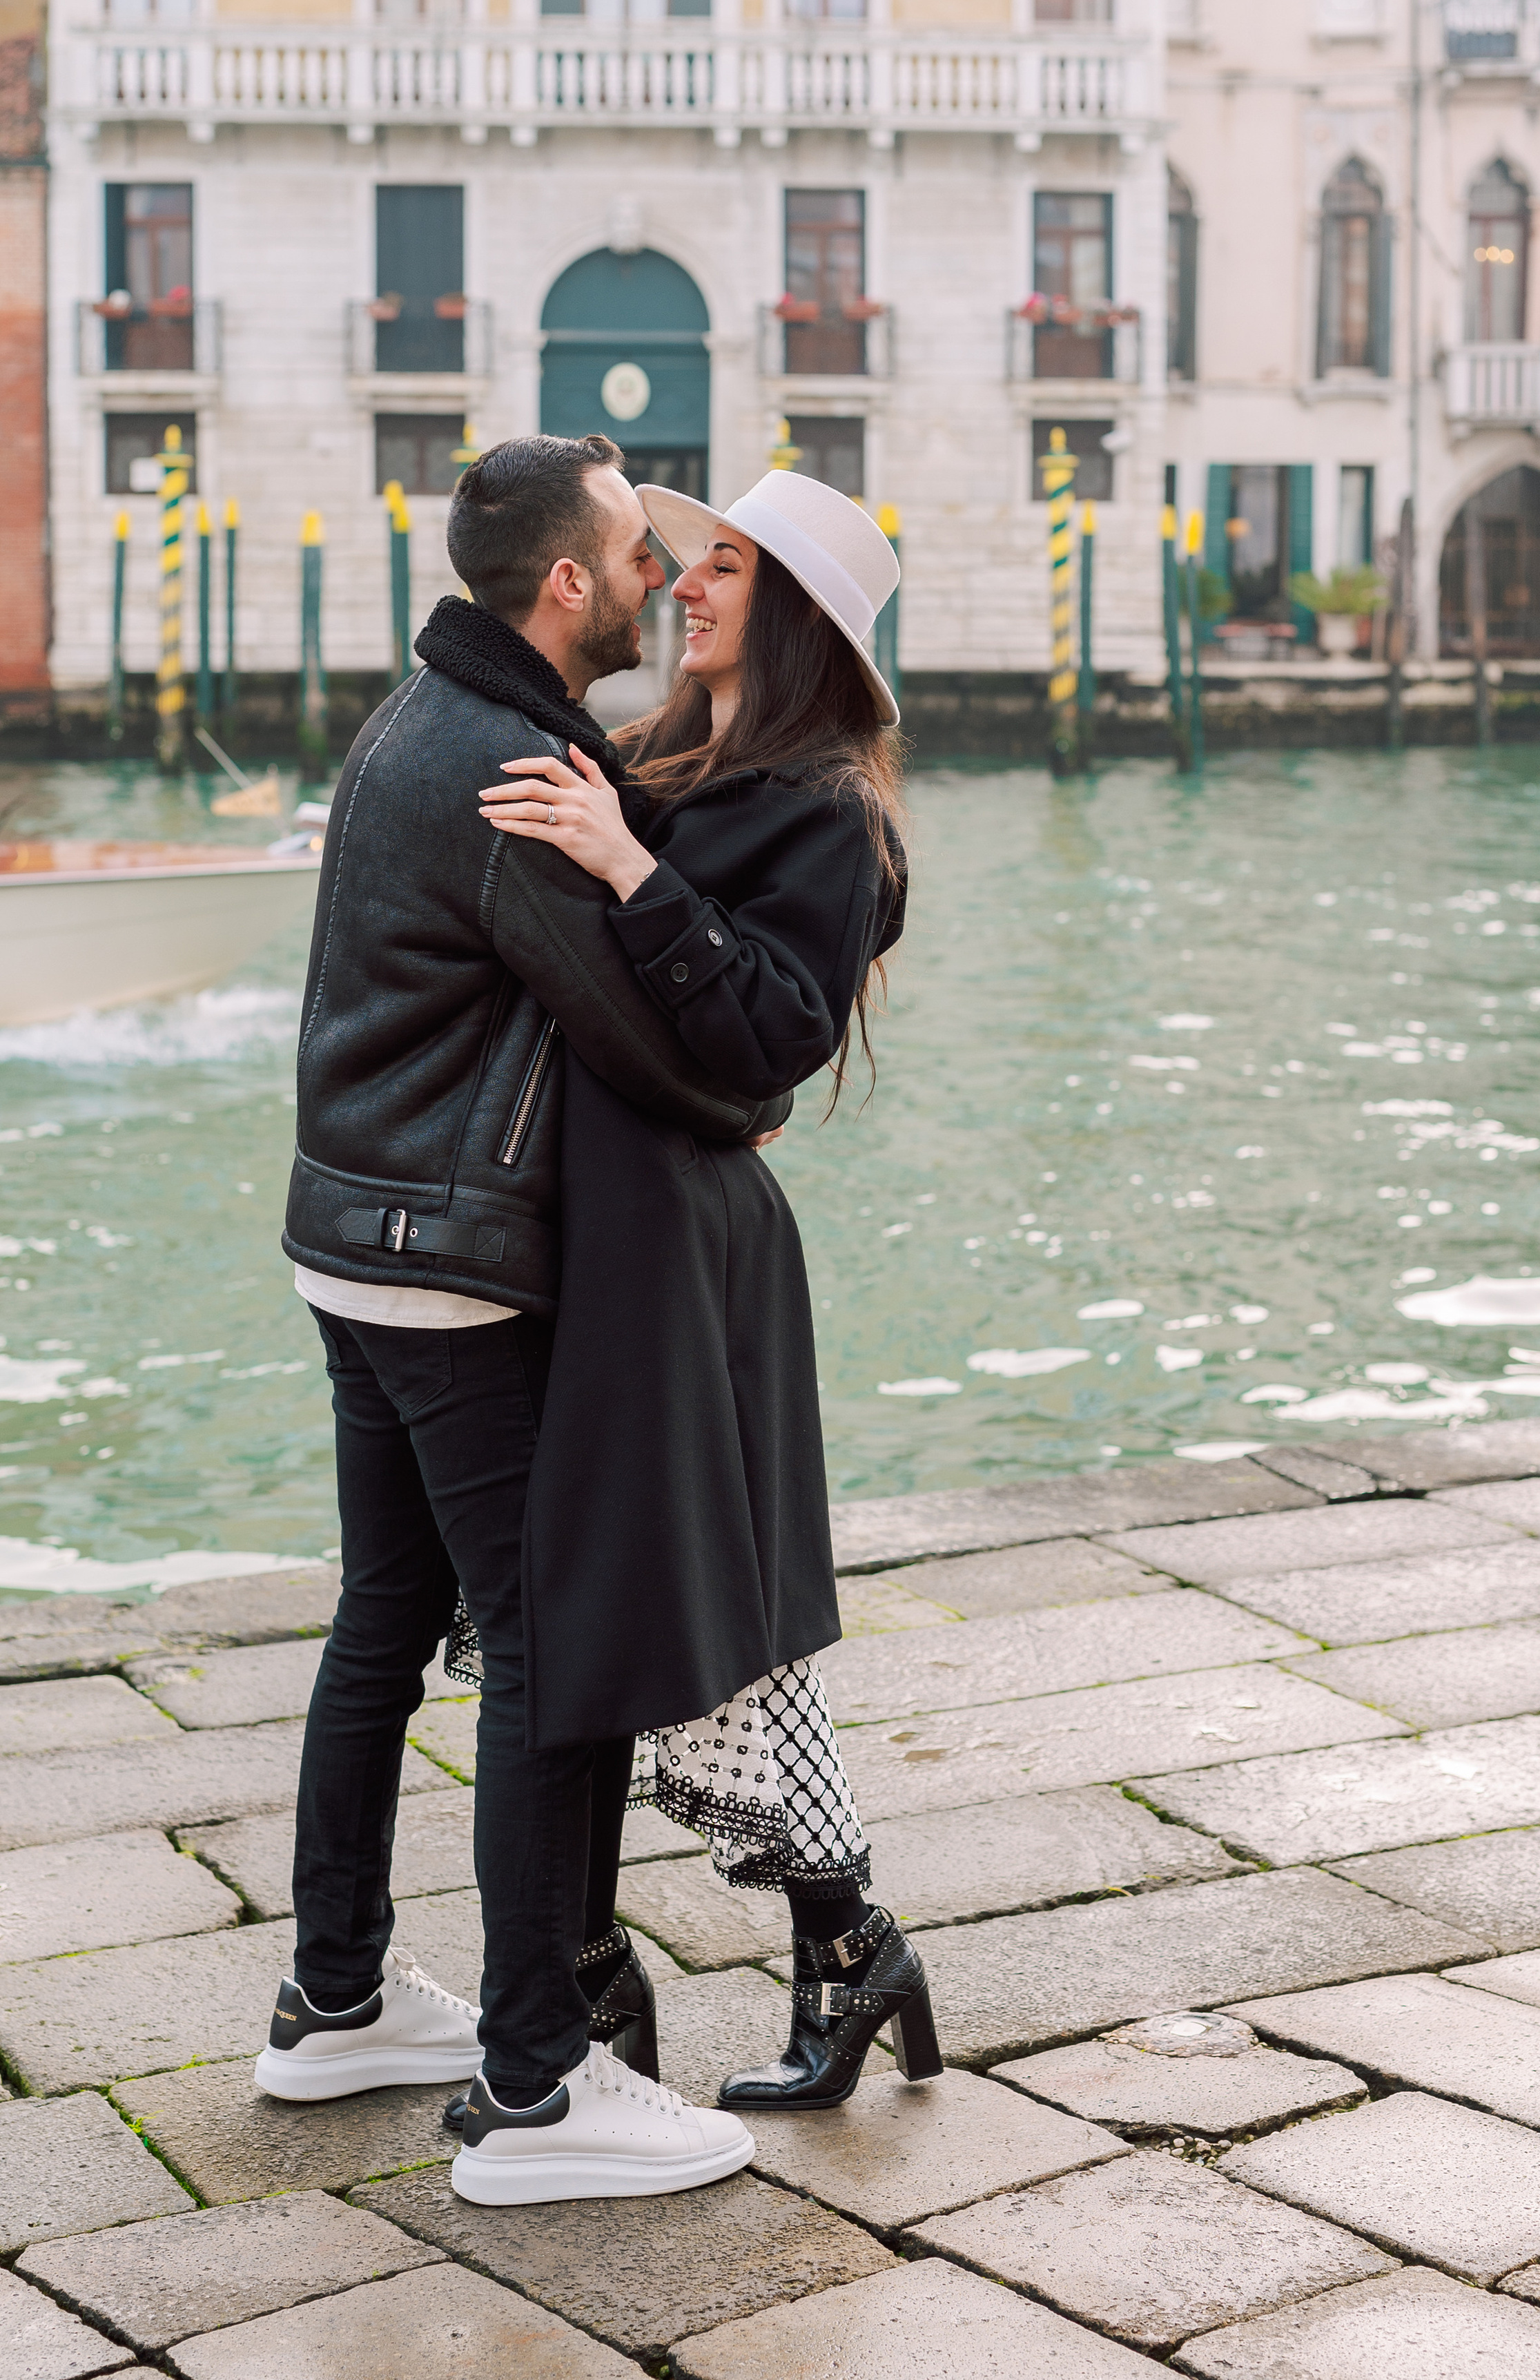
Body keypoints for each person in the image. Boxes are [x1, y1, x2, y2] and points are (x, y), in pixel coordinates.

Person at [258, 434, 788, 2205]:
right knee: (545, 1651)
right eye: (640, 552)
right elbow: (646, 1040)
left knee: (383, 1626)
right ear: (565, 583)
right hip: (447, 1264)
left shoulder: (417, 713)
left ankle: (334, 1999)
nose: (660, 577)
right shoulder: (509, 765)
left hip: (348, 1236)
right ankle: (537, 2085)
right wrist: (740, 1108)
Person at [451, 465, 942, 2184]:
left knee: (709, 1626)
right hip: (594, 1236)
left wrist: (620, 867)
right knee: (587, 1612)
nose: (691, 583)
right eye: (697, 558)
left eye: (727, 565)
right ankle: (583, 1986)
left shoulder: (824, 811)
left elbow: (771, 1032)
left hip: (687, 1256)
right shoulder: (659, 758)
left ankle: (842, 1947)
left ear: (794, 611)